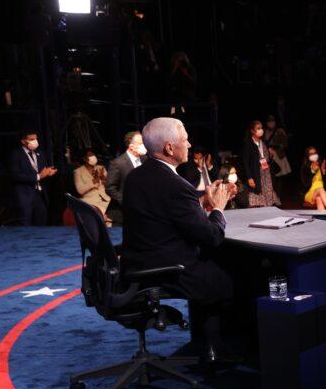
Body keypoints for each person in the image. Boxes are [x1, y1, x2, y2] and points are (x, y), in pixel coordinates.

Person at [121, 117, 233, 364]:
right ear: (170, 148)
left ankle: (204, 344)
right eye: (185, 140)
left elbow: (162, 213)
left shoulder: (135, 177)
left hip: (136, 264)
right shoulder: (175, 185)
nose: (190, 144)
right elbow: (212, 236)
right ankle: (214, 352)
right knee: (224, 279)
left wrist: (200, 203)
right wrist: (218, 209)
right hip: (166, 268)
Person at [7, 130, 56, 225]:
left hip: (40, 194)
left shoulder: (40, 153)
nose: (35, 141)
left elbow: (43, 171)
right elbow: (16, 175)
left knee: (42, 220)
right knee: (26, 222)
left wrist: (48, 172)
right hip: (25, 195)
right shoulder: (16, 155)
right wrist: (38, 176)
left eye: (36, 139)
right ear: (23, 141)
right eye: (32, 139)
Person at [106, 131, 145, 225]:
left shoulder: (145, 159)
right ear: (131, 146)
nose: (144, 146)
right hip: (122, 214)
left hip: (142, 212)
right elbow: (110, 188)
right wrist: (126, 201)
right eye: (141, 143)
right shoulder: (118, 163)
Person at [240, 120, 281, 208]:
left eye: (261, 128)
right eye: (258, 128)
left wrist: (271, 154)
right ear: (252, 131)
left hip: (267, 172)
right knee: (258, 194)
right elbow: (246, 162)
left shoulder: (264, 141)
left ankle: (269, 208)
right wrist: (249, 177)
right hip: (256, 173)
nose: (261, 130)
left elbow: (268, 157)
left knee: (269, 193)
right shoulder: (248, 144)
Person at [73, 150, 111, 224]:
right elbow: (80, 190)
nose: (93, 157)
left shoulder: (101, 168)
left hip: (106, 199)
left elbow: (110, 184)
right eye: (90, 156)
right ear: (84, 159)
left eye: (93, 155)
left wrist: (104, 179)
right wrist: (93, 183)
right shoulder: (78, 172)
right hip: (89, 201)